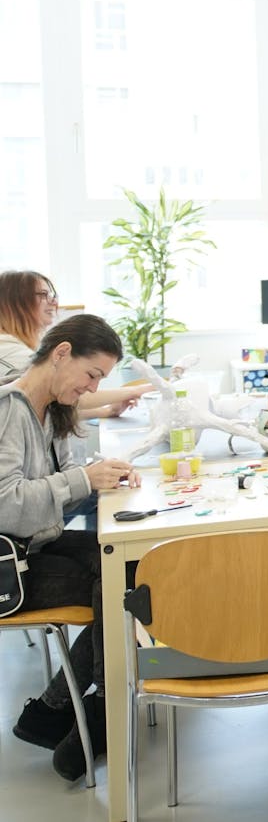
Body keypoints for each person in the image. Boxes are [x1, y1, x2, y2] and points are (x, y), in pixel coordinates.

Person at [2, 314, 142, 781]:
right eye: (92, 374)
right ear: (61, 353)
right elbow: (6, 505)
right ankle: (100, 711)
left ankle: (56, 710)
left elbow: (56, 496)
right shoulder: (9, 409)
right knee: (119, 580)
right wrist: (82, 479)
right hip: (12, 566)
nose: (92, 387)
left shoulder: (48, 411)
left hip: (38, 543)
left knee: (136, 563)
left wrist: (106, 479)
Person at [0, 271, 146, 418]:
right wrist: (136, 390)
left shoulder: (22, 347)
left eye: (53, 296)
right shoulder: (8, 351)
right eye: (43, 295)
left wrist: (106, 411)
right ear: (12, 302)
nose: (54, 302)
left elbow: (53, 407)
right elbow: (69, 393)